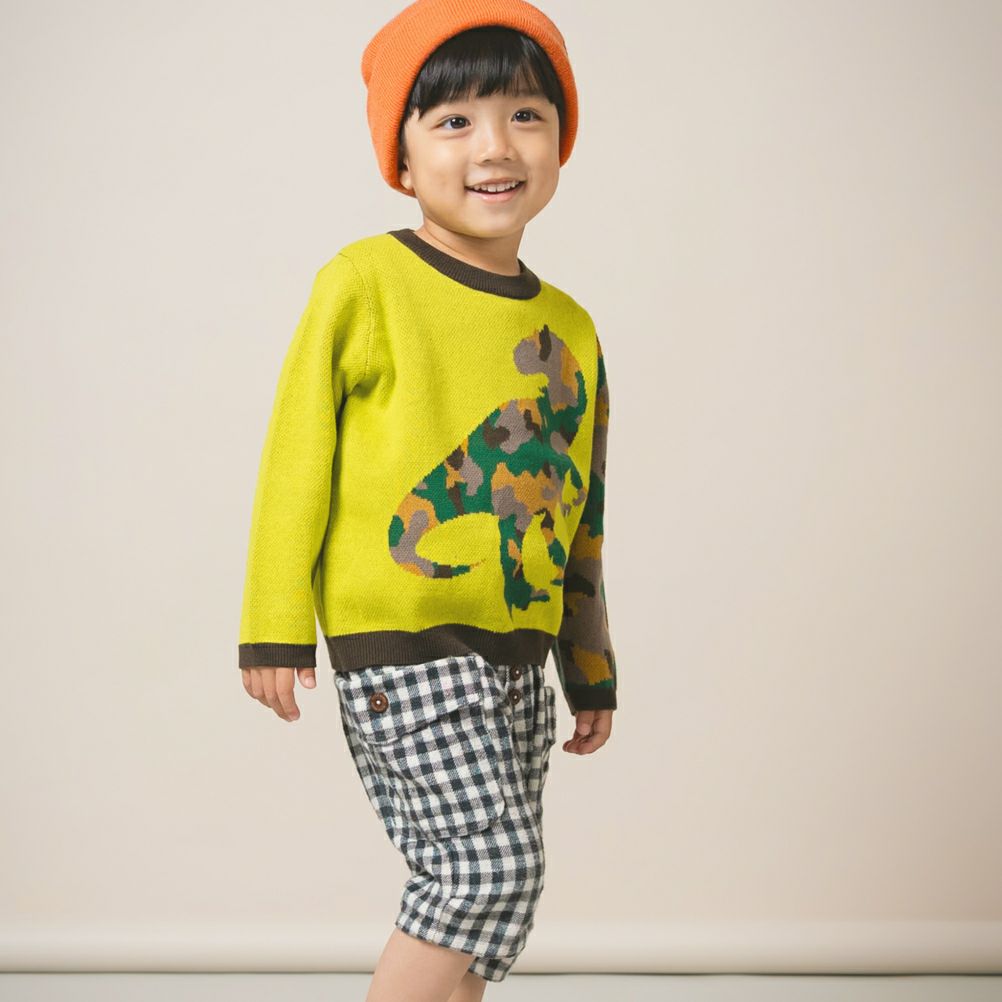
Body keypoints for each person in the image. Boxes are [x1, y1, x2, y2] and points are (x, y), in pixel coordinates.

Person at [237, 1, 618, 998]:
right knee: (480, 872)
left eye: (526, 114)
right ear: (401, 158)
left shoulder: (571, 329)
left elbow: (578, 513)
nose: (495, 146)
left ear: (560, 139)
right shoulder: (367, 281)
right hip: (404, 641)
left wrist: (589, 666)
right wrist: (273, 623)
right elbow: (295, 457)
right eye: (454, 121)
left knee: (497, 903)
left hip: (517, 651)